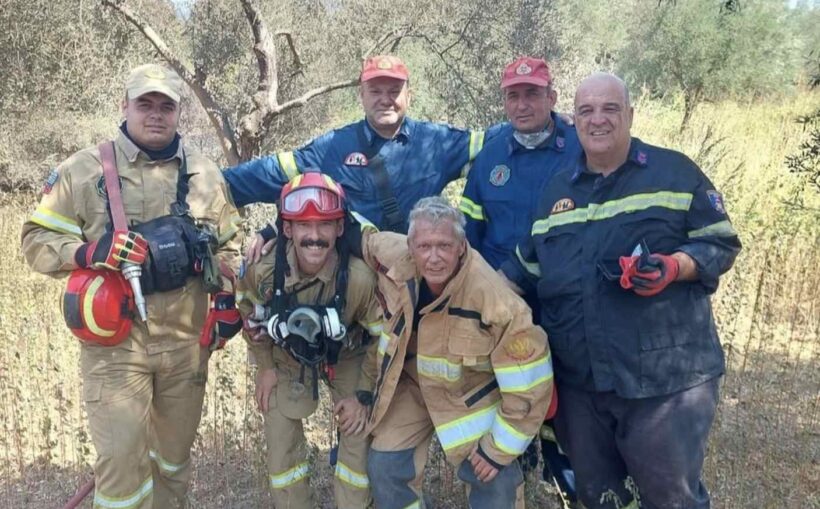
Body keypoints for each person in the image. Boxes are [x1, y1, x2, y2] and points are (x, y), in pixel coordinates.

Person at [501, 72, 741, 509]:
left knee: (670, 498)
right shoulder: (557, 192)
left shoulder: (674, 172)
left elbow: (720, 242)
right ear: (574, 120)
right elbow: (520, 271)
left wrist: (674, 266)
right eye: (587, 110)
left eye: (610, 109)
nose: (599, 120)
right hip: (581, 385)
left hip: (664, 382)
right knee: (599, 498)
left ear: (630, 114)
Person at [21, 64, 243, 508]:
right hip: (116, 346)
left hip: (186, 345)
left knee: (174, 464)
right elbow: (36, 240)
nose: (156, 114)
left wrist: (223, 294)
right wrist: (89, 252)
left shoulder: (205, 175)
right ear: (125, 106)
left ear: (179, 112)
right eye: (145, 103)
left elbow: (230, 245)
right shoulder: (83, 170)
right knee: (122, 465)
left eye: (166, 105)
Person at [360, 196, 553, 509]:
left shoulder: (493, 298)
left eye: (444, 246)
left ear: (461, 246)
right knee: (385, 467)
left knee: (493, 479)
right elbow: (357, 234)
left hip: (470, 395)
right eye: (424, 247)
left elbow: (530, 382)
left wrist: (497, 450)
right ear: (410, 245)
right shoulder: (395, 256)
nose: (434, 258)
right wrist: (274, 234)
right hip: (412, 386)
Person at [459, 56, 580, 505]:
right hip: (503, 306)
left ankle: (562, 483)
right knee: (512, 392)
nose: (523, 103)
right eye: (514, 95)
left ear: (552, 97)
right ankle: (518, 471)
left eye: (533, 93)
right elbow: (469, 235)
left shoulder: (580, 147)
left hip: (565, 301)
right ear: (504, 102)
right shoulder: (490, 156)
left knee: (565, 400)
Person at [223, 54, 507, 243]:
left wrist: (546, 124)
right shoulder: (333, 147)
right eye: (375, 91)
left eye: (394, 91)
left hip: (416, 277)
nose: (385, 100)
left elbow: (492, 142)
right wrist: (203, 181)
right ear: (362, 95)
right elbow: (269, 173)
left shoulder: (436, 142)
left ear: (409, 95)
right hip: (355, 283)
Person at [236, 171, 382, 509]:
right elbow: (248, 312)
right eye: (303, 226)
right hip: (286, 358)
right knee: (281, 443)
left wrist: (364, 393)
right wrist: (265, 366)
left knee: (358, 442)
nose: (314, 237)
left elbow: (383, 335)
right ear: (287, 230)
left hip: (349, 353)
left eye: (324, 225)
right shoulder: (264, 272)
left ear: (340, 229)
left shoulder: (359, 279)